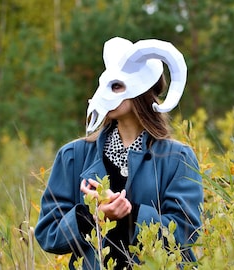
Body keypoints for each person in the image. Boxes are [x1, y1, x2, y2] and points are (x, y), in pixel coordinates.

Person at [34, 37, 203, 269]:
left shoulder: (177, 158)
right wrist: (90, 216)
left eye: (116, 86)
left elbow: (186, 232)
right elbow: (48, 234)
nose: (104, 94)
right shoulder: (73, 156)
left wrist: (128, 215)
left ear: (142, 90)